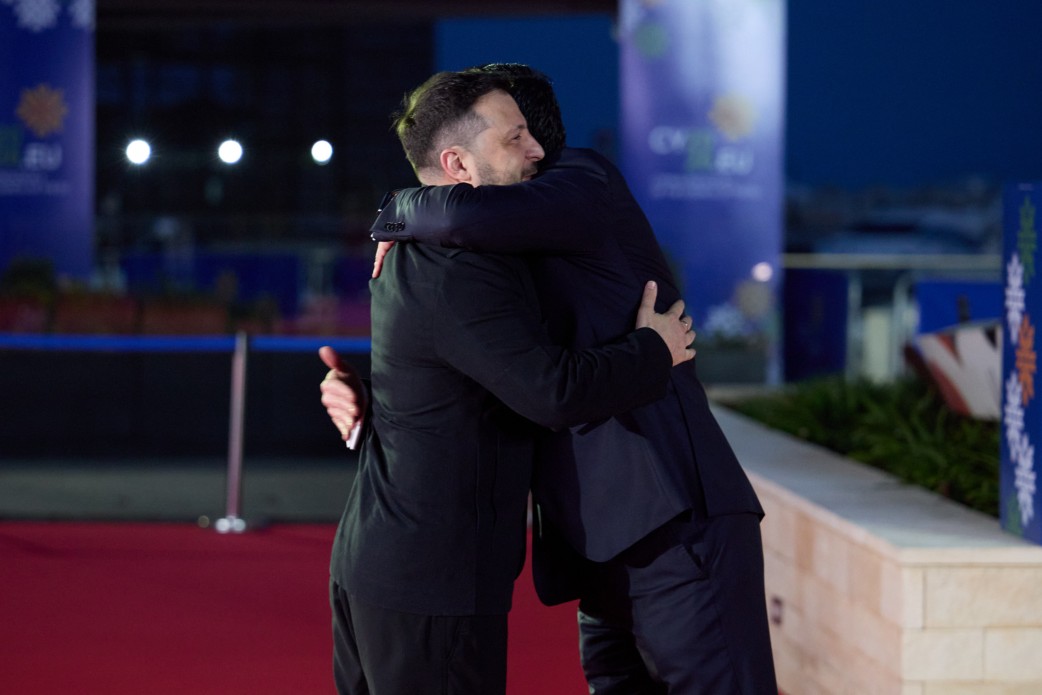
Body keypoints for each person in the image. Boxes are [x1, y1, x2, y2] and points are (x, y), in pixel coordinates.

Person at [362, 64, 778, 694]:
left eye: (524, 133)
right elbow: (489, 355)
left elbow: (461, 217)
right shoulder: (506, 226)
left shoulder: (581, 181)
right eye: (513, 137)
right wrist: (365, 396)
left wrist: (396, 211)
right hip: (599, 537)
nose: (528, 148)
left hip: (674, 519)